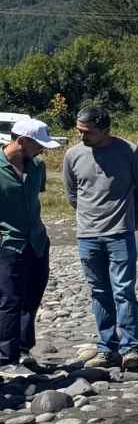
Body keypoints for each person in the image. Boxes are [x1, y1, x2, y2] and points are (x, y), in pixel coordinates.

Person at [63, 106, 138, 370]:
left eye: (87, 132)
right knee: (99, 293)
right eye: (79, 131)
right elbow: (72, 194)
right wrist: (87, 217)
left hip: (120, 233)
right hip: (87, 236)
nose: (82, 136)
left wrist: (132, 222)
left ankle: (131, 348)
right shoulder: (73, 155)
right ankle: (107, 348)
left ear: (104, 130)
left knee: (123, 291)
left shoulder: (129, 151)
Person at [0, 116, 61, 368]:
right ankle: (6, 358)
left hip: (36, 241)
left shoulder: (37, 167)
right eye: (39, 145)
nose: (43, 150)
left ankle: (24, 349)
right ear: (22, 141)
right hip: (8, 243)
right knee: (8, 300)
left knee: (31, 298)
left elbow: (34, 199)